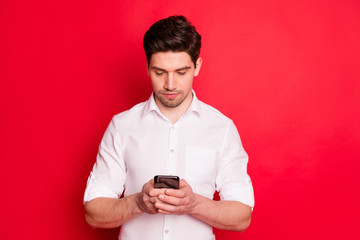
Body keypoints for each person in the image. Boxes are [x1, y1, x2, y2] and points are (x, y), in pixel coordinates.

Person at [84, 15, 254, 240]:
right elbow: (93, 213)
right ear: (147, 67)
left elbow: (242, 217)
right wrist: (138, 202)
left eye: (181, 72)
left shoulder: (222, 128)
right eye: (160, 72)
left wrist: (193, 204)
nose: (170, 84)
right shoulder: (122, 126)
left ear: (197, 66)